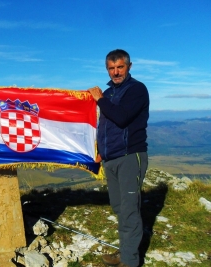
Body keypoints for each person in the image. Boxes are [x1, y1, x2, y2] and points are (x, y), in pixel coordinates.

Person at [88, 49, 149, 267]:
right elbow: (105, 125)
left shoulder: (136, 90)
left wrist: (100, 100)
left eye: (120, 67)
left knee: (130, 209)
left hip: (130, 156)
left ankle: (130, 261)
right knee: (119, 207)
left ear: (129, 66)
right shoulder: (109, 93)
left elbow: (121, 118)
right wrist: (100, 150)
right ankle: (124, 253)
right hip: (111, 158)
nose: (116, 72)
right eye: (111, 68)